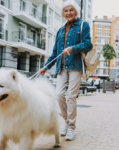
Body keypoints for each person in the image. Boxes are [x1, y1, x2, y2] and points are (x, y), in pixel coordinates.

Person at [39, 0, 93, 141]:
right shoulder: (61, 30)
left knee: (71, 97)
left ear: (76, 11)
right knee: (58, 95)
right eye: (66, 11)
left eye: (71, 10)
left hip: (75, 66)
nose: (68, 13)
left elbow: (88, 44)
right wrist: (46, 66)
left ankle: (71, 127)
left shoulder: (83, 25)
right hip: (61, 67)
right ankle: (66, 122)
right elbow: (56, 52)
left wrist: (73, 48)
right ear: (63, 13)